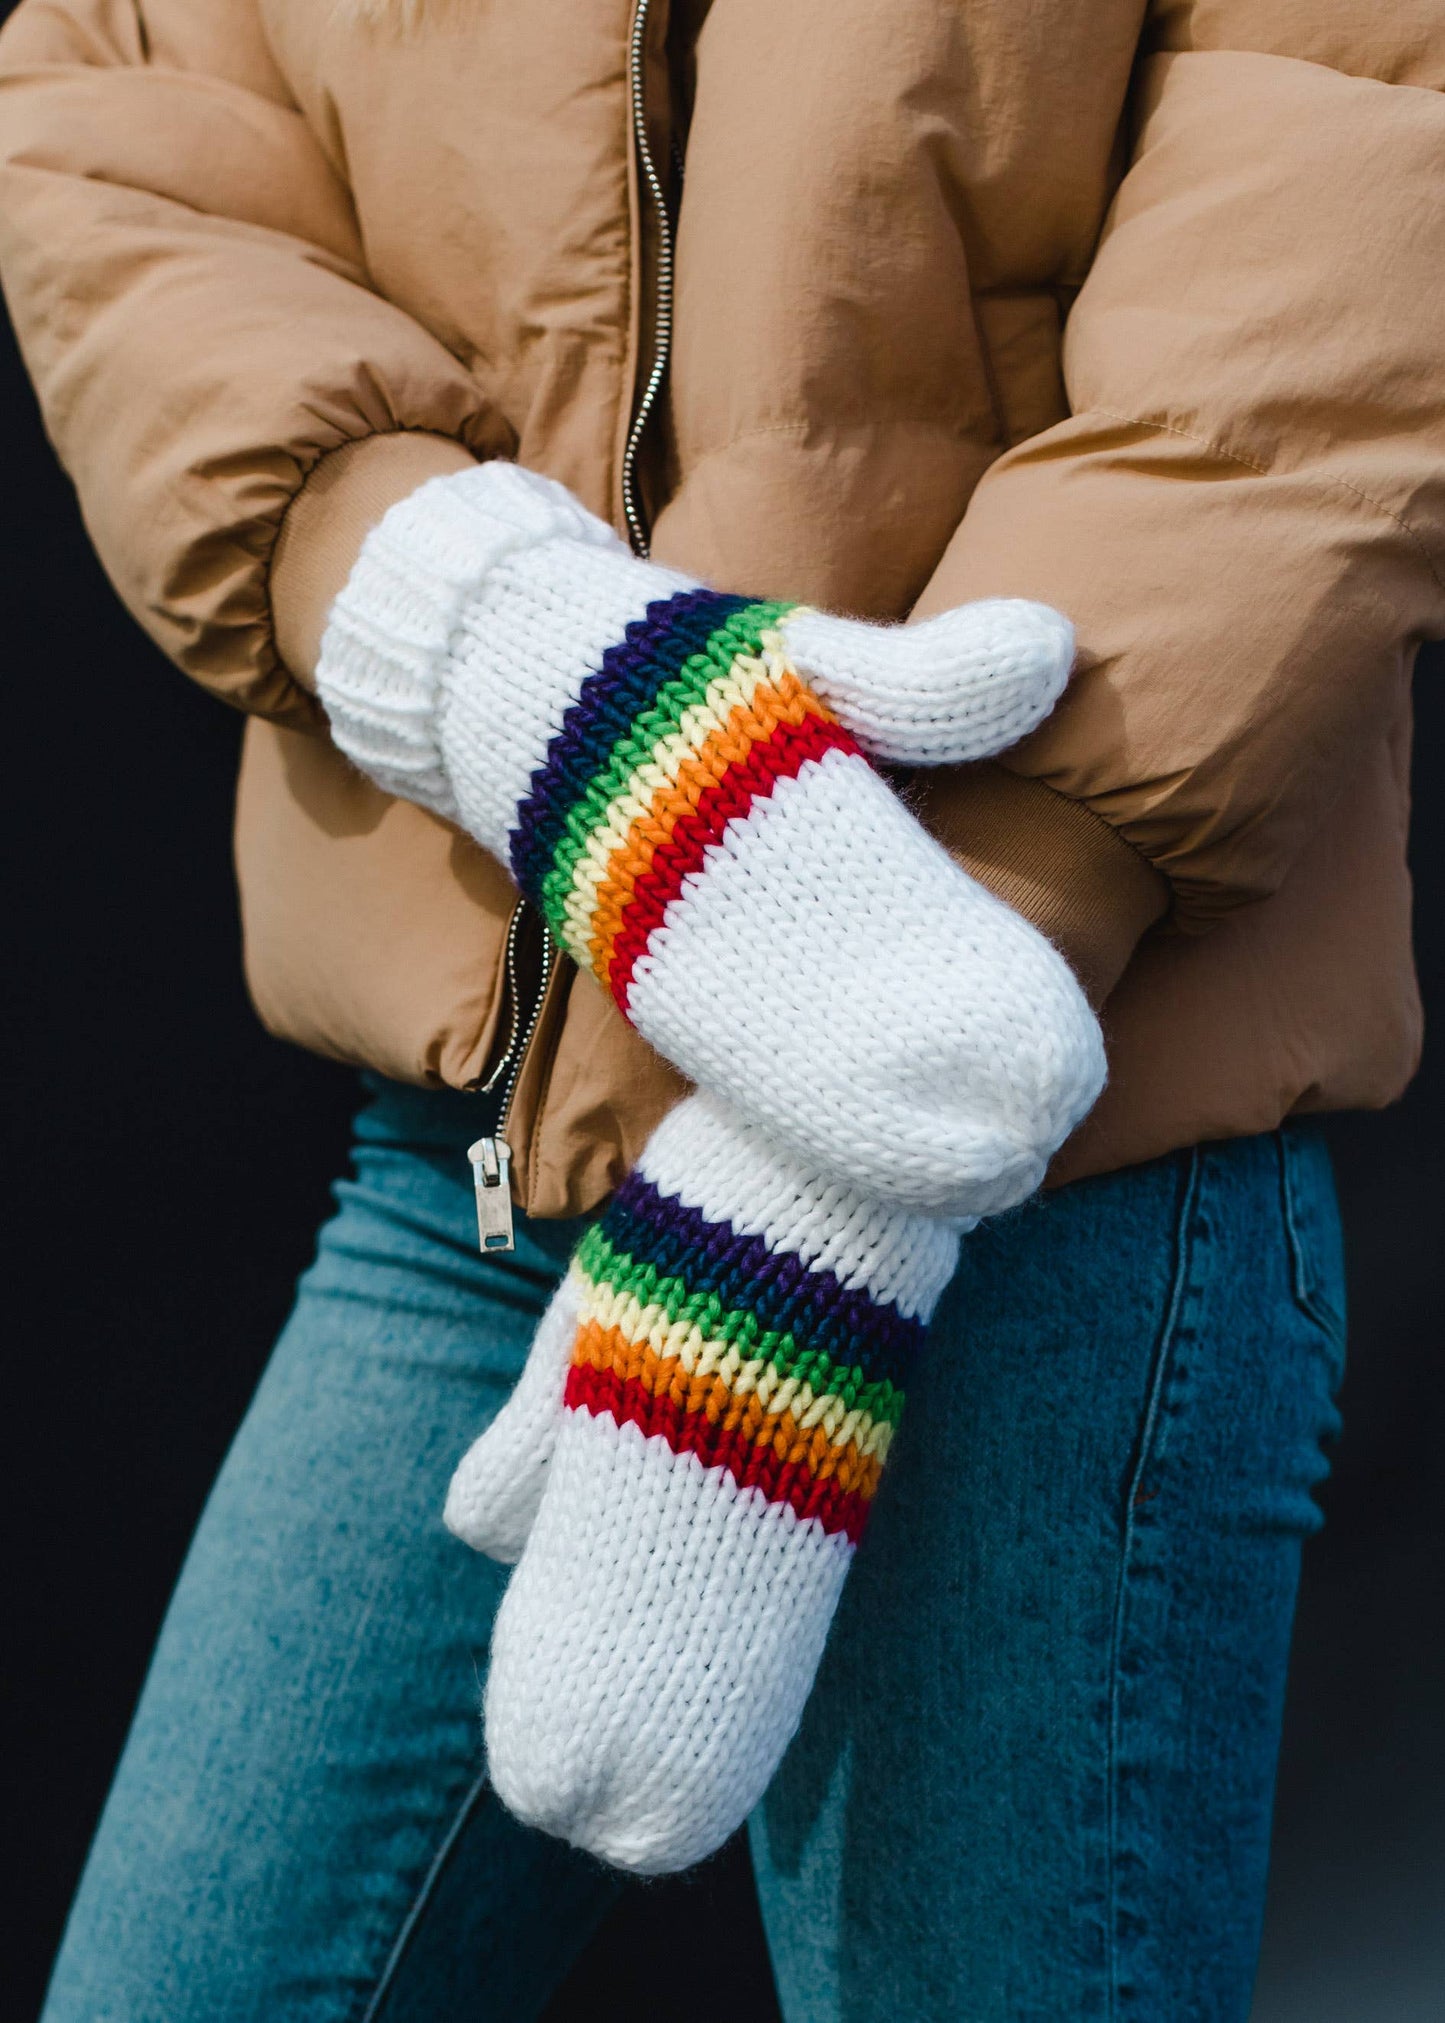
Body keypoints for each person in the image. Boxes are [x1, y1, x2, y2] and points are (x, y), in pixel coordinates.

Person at [1, 0, 1438, 2014]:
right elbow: (111, 96)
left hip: (1063, 1188)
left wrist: (866, 1064)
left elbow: (1348, 212)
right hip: (486, 1152)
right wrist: (486, 639)